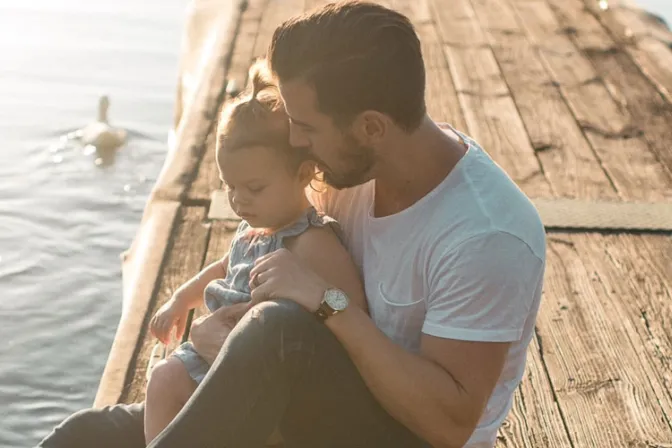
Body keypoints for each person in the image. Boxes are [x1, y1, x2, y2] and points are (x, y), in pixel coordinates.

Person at [36, 2, 546, 447]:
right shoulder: (349, 170)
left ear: (371, 127)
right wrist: (226, 341)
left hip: (398, 434)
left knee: (277, 330)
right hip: (294, 399)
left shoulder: (486, 234)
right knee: (83, 438)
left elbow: (447, 426)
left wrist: (327, 303)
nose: (296, 146)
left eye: (306, 128)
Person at [142, 62, 366, 444]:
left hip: (263, 368)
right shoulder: (254, 230)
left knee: (165, 382)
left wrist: (315, 309)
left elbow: (352, 310)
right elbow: (222, 268)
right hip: (224, 352)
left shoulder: (310, 241)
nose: (239, 200)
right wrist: (181, 299)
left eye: (255, 187)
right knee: (162, 382)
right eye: (230, 186)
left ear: (302, 173)